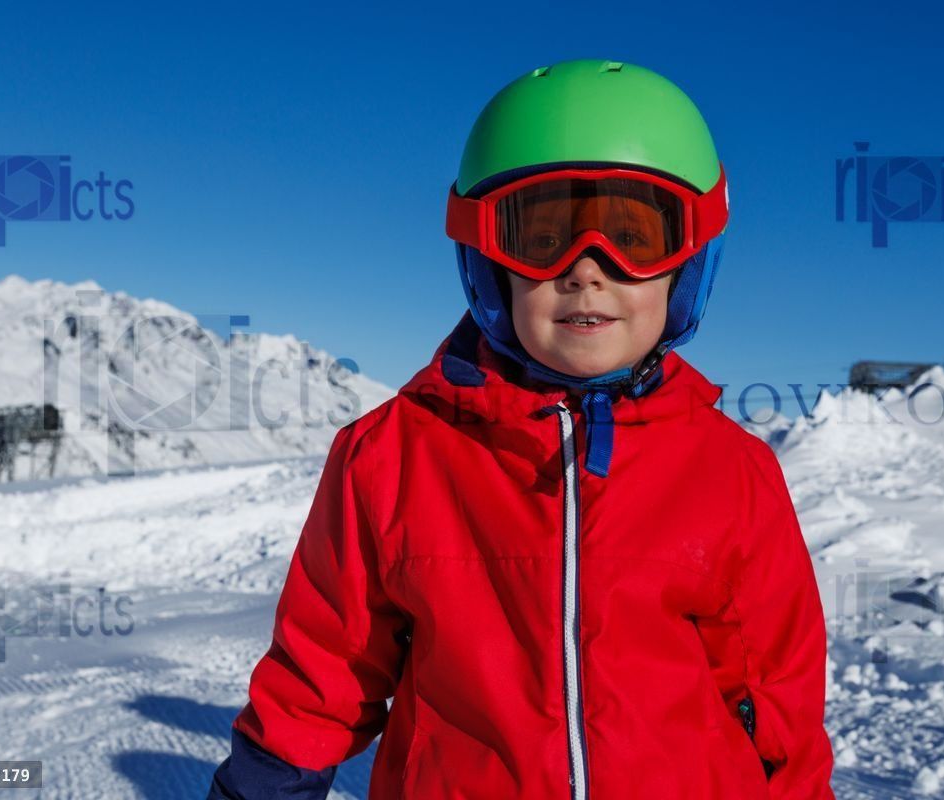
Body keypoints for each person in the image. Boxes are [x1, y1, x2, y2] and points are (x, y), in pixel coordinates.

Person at [207, 58, 835, 799]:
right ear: (486, 264)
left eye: (634, 235)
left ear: (688, 265)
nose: (586, 270)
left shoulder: (732, 470)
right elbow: (326, 667)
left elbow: (773, 686)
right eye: (542, 235)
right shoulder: (391, 455)